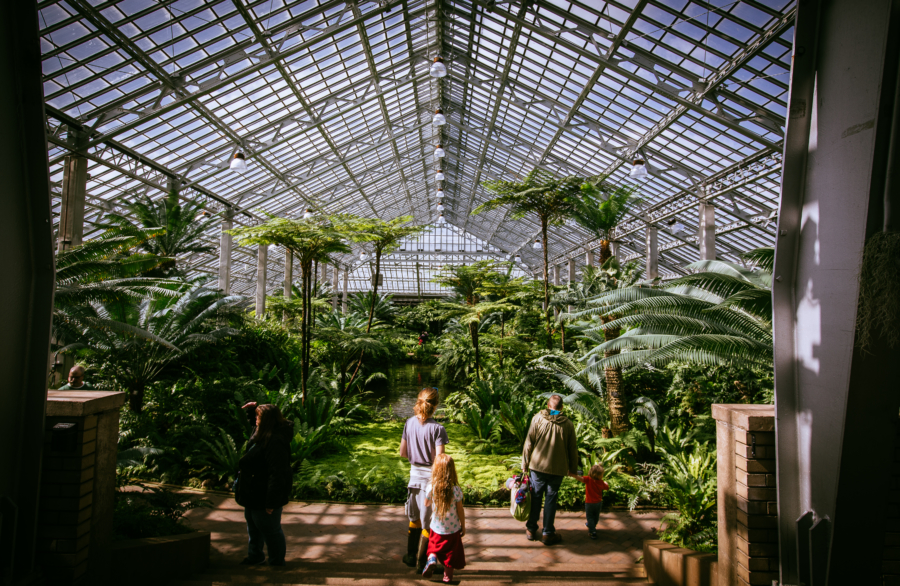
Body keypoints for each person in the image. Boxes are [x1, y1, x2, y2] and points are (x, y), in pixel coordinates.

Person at [236, 402, 294, 566]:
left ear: (267, 420)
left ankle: (276, 561)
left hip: (264, 495)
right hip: (253, 491)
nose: (255, 419)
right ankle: (255, 556)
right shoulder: (262, 432)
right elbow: (254, 426)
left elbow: (278, 474)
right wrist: (251, 410)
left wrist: (272, 503)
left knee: (271, 530)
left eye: (258, 416)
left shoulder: (276, 442)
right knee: (253, 528)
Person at [399, 388, 448, 571]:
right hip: (430, 481)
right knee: (429, 522)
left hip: (413, 478)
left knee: (414, 519)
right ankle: (422, 563)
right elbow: (440, 461)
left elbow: (403, 453)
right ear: (435, 406)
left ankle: (411, 555)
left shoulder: (409, 423)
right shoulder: (438, 429)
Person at [521, 394, 578, 546]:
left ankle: (531, 529)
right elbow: (573, 449)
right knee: (551, 499)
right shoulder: (568, 424)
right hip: (557, 468)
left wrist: (524, 464)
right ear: (562, 408)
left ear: (548, 406)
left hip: (537, 467)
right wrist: (573, 469)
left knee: (536, 497)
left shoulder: (537, 419)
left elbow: (529, 442)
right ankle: (548, 533)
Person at [422, 454, 466, 583]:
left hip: (436, 528)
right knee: (450, 554)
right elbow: (460, 510)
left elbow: (426, 503)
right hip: (453, 529)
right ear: (452, 470)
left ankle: (432, 558)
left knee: (433, 547)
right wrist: (463, 525)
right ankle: (447, 577)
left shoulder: (432, 488)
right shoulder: (456, 490)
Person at [569, 463, 609, 539]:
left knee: (590, 516)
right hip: (598, 503)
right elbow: (606, 487)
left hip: (589, 503)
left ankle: (592, 531)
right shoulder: (601, 482)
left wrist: (573, 475)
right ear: (600, 475)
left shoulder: (588, 479)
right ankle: (592, 525)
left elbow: (580, 478)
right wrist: (606, 483)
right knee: (595, 516)